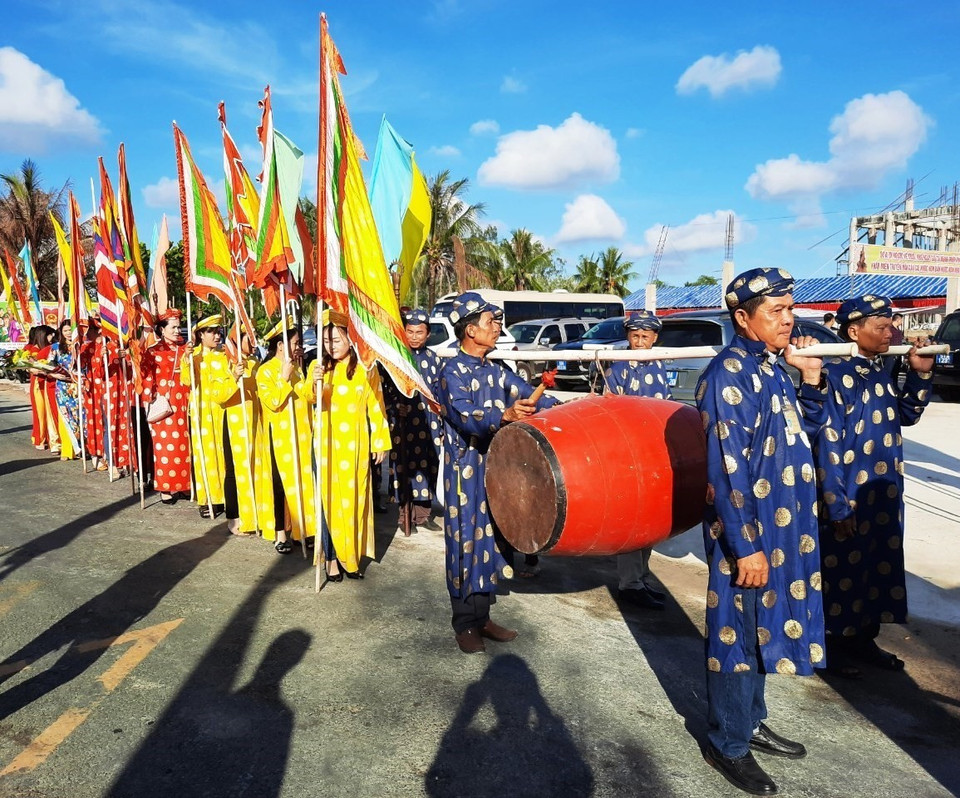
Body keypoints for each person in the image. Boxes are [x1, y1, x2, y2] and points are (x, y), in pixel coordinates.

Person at [697, 267, 828, 796]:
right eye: (776, 311)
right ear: (742, 318)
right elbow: (728, 470)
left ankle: (750, 721)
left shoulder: (772, 368)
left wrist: (812, 384)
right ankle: (728, 743)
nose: (788, 319)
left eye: (789, 308)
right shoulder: (727, 375)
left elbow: (805, 435)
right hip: (747, 536)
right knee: (735, 634)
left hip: (784, 532)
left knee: (762, 630)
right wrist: (745, 547)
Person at [813, 295, 933, 679]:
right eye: (881, 327)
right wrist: (837, 504)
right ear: (853, 330)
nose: (890, 333)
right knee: (840, 568)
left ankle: (863, 639)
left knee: (874, 566)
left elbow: (907, 415)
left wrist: (919, 373)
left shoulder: (880, 368)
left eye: (890, 325)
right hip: (847, 494)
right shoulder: (834, 375)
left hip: (882, 494)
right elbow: (826, 443)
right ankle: (830, 648)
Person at [437, 292, 558, 654]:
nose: (497, 327)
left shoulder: (496, 370)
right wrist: (503, 416)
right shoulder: (451, 372)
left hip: (498, 472)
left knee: (493, 541)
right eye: (491, 322)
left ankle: (483, 617)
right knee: (465, 543)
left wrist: (573, 406)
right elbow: (462, 414)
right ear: (470, 330)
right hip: (465, 474)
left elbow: (530, 397)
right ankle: (464, 624)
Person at [603, 309, 671, 611]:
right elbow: (611, 410)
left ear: (655, 337)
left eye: (645, 336)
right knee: (633, 520)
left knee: (651, 520)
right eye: (635, 335)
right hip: (630, 453)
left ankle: (642, 577)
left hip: (655, 452)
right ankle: (629, 583)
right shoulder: (619, 368)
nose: (640, 341)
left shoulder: (658, 363)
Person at [314, 310, 391, 579]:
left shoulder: (365, 369)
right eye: (326, 341)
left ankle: (351, 557)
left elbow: (376, 406)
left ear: (349, 339)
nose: (331, 346)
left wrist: (380, 441)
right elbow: (309, 399)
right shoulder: (320, 368)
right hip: (326, 446)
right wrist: (315, 383)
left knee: (355, 501)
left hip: (356, 448)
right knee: (329, 503)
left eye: (336, 339)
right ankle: (332, 559)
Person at [255, 318, 316, 554]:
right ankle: (281, 533)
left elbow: (306, 396)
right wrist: (283, 376)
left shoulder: (298, 369)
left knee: (303, 483)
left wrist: (314, 381)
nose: (300, 346)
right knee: (280, 485)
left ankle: (305, 531)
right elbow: (272, 401)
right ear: (281, 345)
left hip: (301, 435)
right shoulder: (265, 370)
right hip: (278, 437)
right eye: (296, 342)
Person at [384, 308, 443, 536]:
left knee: (428, 465)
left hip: (429, 423)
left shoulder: (434, 360)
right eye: (410, 332)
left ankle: (423, 515)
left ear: (428, 334)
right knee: (403, 467)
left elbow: (440, 392)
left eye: (420, 332)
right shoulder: (396, 358)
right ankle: (404, 515)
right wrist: (395, 407)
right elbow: (386, 389)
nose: (415, 336)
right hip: (403, 421)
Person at [210, 328, 260, 535]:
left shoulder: (256, 363)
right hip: (233, 421)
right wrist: (233, 376)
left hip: (255, 422)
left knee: (254, 469)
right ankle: (234, 516)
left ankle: (255, 515)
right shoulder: (223, 362)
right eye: (250, 335)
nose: (255, 339)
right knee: (233, 471)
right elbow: (218, 396)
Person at [139, 310, 191, 504]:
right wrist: (149, 397)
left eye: (179, 326)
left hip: (185, 403)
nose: (178, 330)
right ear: (162, 329)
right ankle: (166, 486)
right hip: (164, 405)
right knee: (165, 447)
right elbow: (146, 377)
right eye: (173, 327)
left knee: (185, 446)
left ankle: (184, 485)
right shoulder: (154, 351)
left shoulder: (186, 348)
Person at [180, 315, 227, 519]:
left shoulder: (224, 356)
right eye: (211, 332)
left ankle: (224, 497)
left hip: (221, 411)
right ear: (200, 334)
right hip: (201, 412)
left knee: (223, 455)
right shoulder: (194, 356)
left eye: (218, 331)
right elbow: (186, 380)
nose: (217, 336)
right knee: (204, 457)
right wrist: (187, 360)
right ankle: (207, 497)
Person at [23, 324, 60, 453]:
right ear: (43, 335)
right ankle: (40, 438)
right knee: (40, 412)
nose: (52, 338)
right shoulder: (31, 349)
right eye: (50, 335)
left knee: (51, 412)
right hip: (38, 384)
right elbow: (30, 369)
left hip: (50, 383)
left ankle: (52, 438)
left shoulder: (51, 349)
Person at [50, 320, 82, 460]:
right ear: (61, 333)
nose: (68, 333)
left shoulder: (81, 345)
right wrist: (54, 374)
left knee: (81, 417)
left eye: (70, 330)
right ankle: (69, 450)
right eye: (66, 331)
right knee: (67, 418)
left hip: (80, 386)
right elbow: (48, 366)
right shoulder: (56, 348)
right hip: (63, 388)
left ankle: (83, 447)